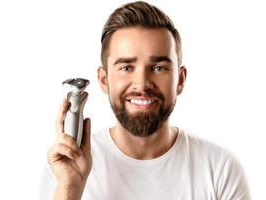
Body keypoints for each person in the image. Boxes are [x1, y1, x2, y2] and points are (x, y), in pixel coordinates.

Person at [40, 1, 250, 199]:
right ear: (104, 80)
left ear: (181, 79)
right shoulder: (65, 168)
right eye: (126, 67)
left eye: (158, 68)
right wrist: (70, 188)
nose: (141, 84)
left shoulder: (221, 170)